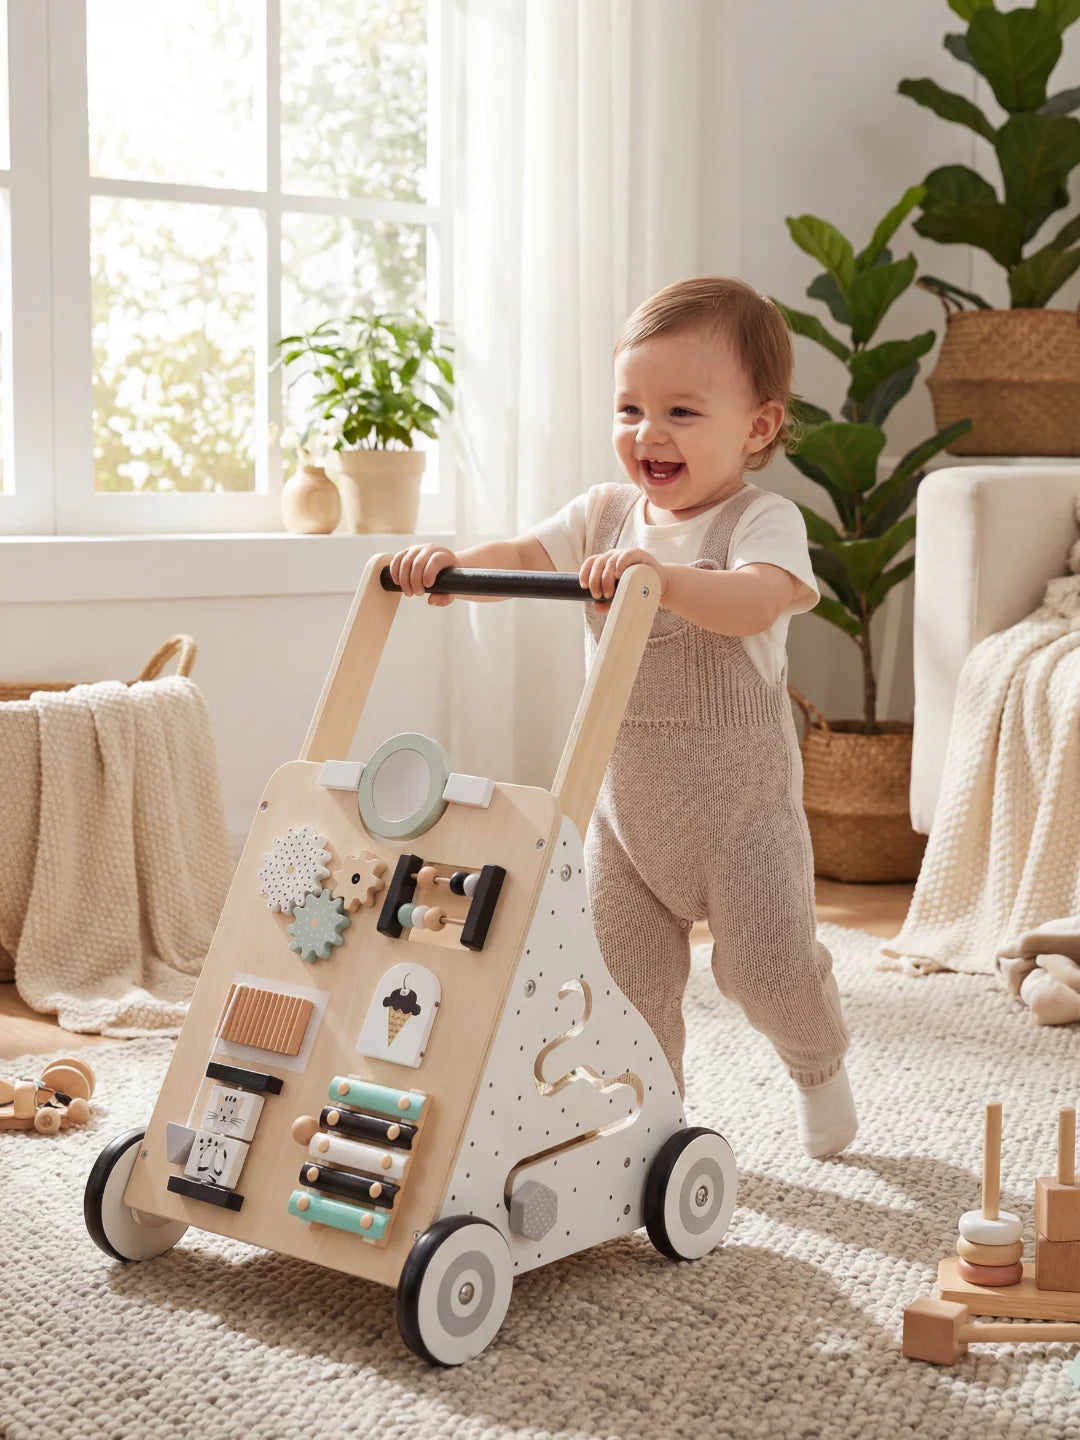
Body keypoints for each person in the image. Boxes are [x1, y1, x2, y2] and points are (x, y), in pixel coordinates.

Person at [389, 276, 856, 1158]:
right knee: (623, 982)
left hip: (739, 815)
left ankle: (818, 1063)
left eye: (682, 411)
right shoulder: (603, 515)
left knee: (767, 969)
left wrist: (661, 580)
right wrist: (452, 565)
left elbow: (755, 604)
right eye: (631, 408)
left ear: (758, 426)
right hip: (625, 812)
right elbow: (529, 553)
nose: (650, 434)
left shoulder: (763, 522)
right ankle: (654, 1132)